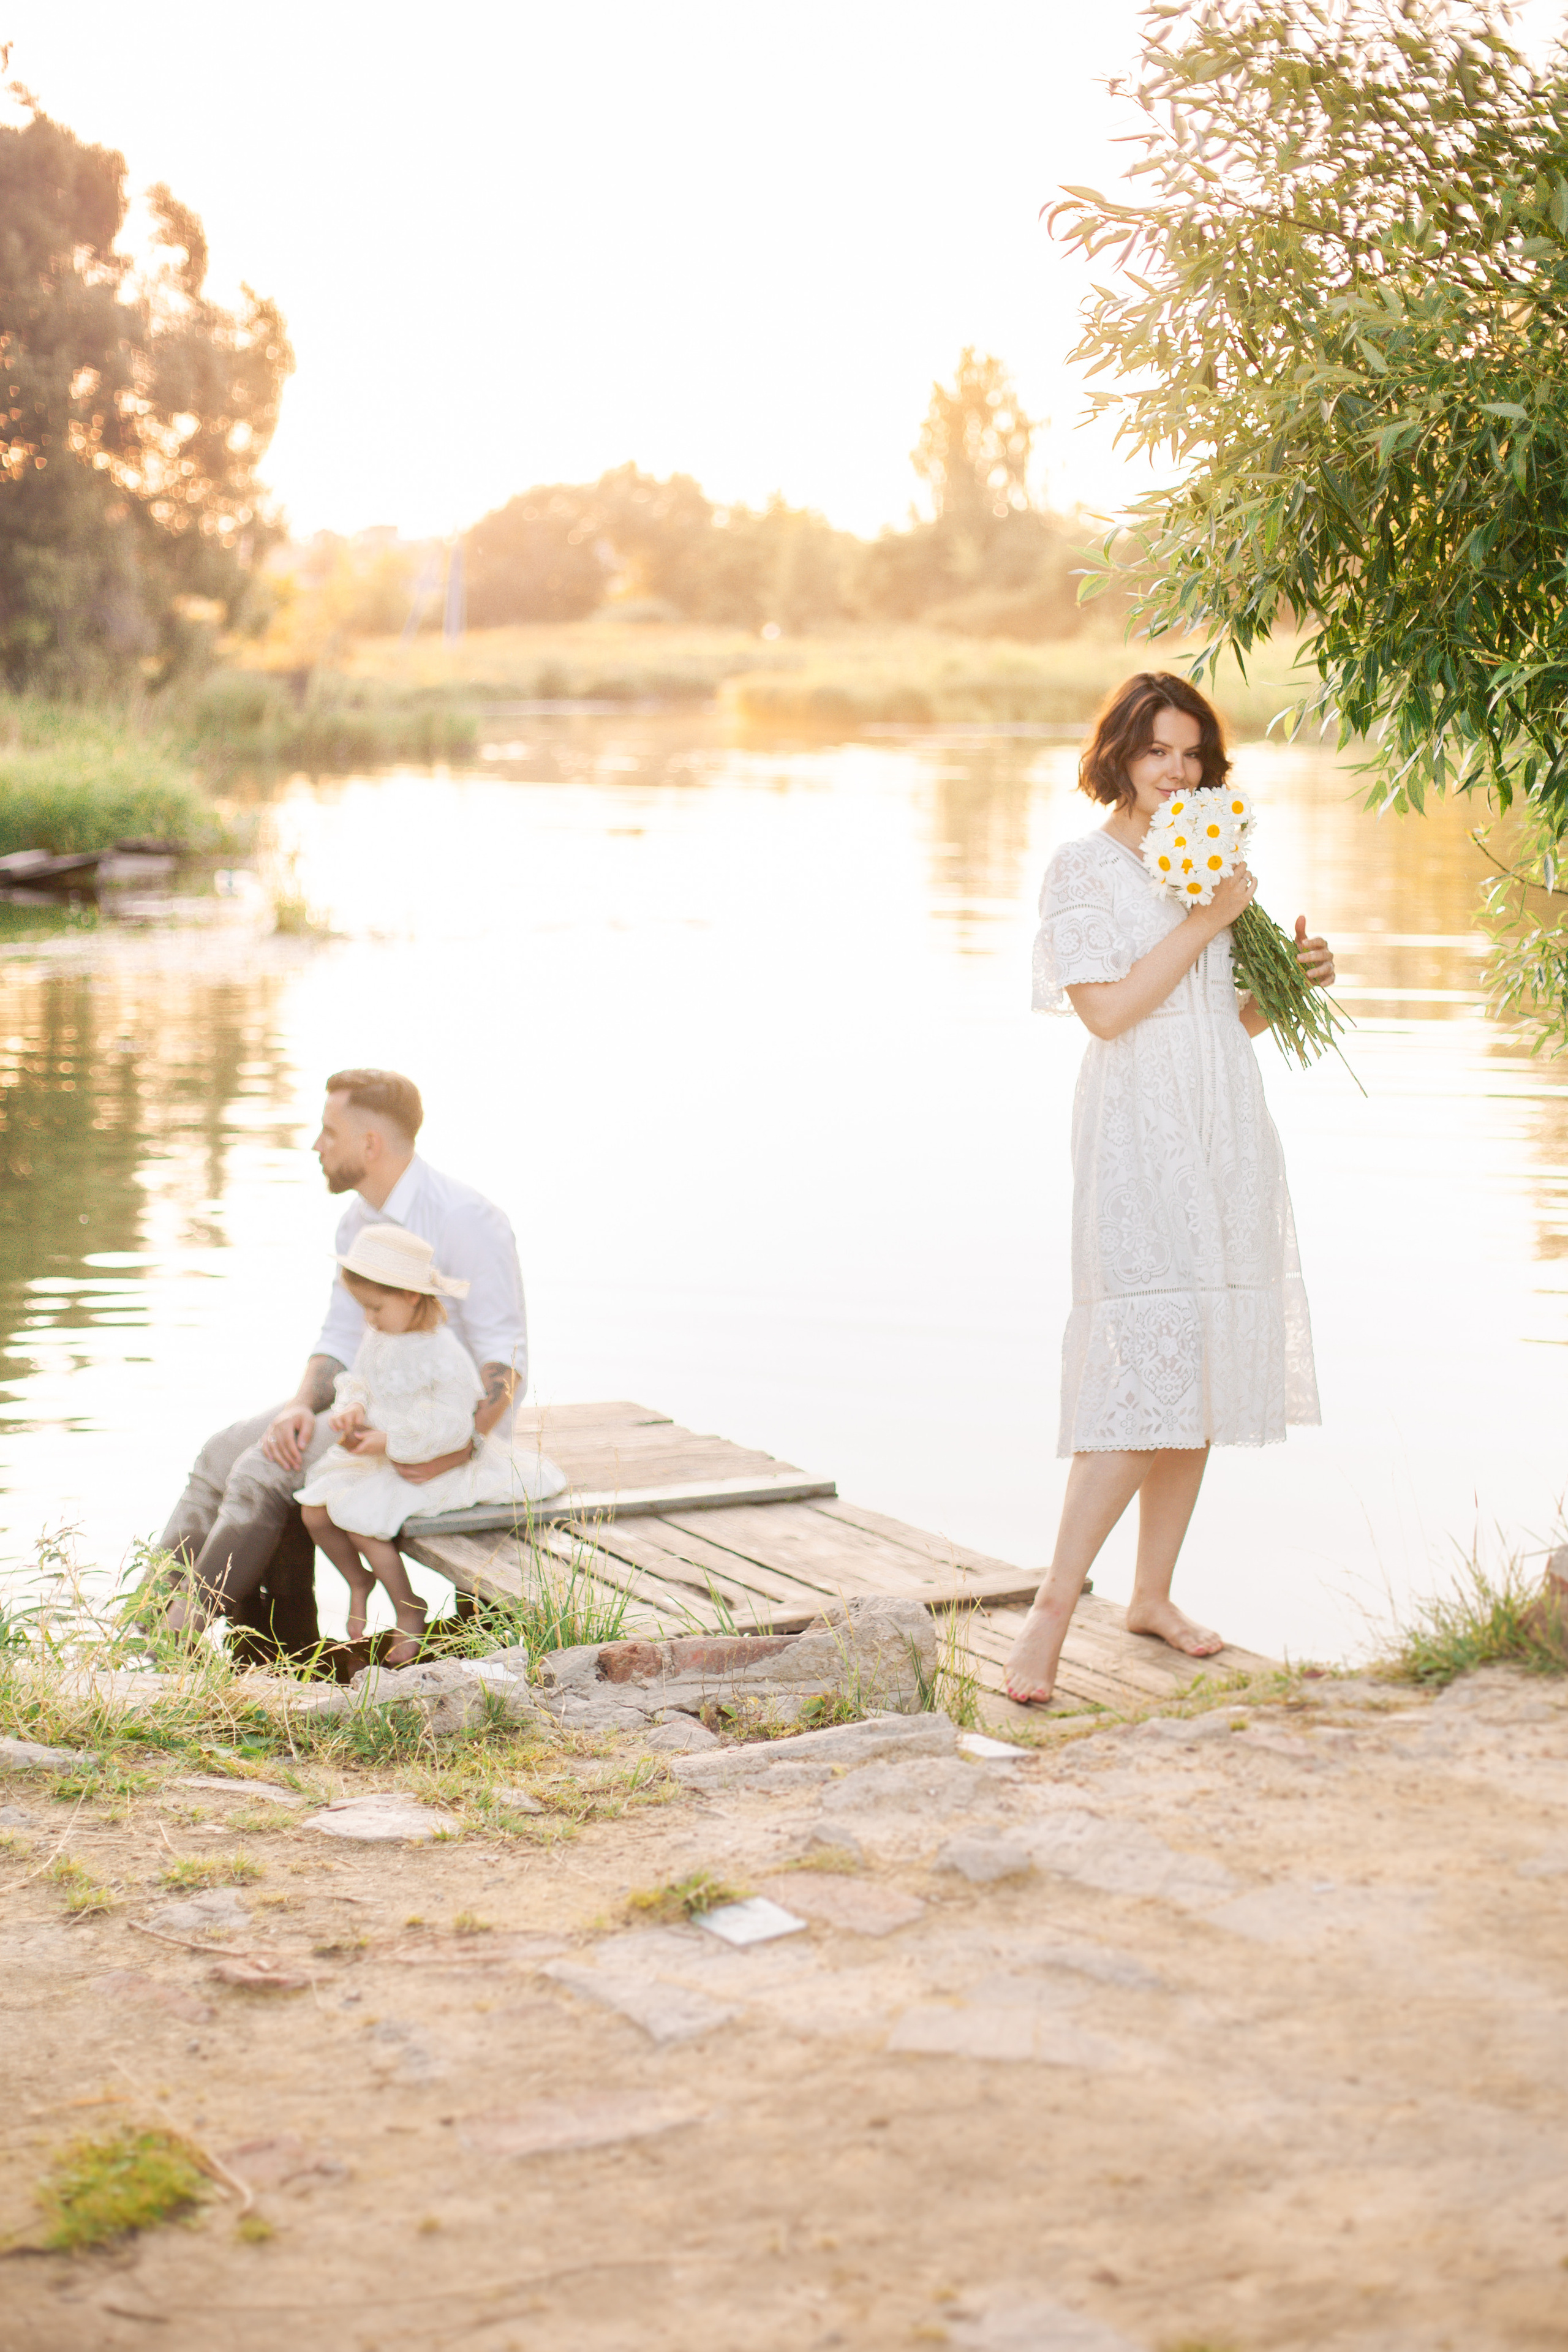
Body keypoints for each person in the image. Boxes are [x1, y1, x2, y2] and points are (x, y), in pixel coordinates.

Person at [1005, 674, 1333, 1706]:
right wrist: (1208, 920)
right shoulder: (1082, 869)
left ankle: (1153, 1595)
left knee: (1198, 1369)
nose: (1177, 772)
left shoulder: (1214, 857)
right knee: (1145, 1365)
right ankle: (1053, 1608)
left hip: (1222, 1123)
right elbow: (1108, 1013)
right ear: (1118, 755)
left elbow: (1207, 1021)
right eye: (1157, 751)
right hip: (1137, 1133)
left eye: (1192, 754)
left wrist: (1285, 989)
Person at [159, 1068, 539, 1650]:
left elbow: (504, 1362)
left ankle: (178, 1641)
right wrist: (298, 1408)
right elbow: (339, 1341)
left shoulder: (467, 1219)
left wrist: (462, 1448)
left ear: (370, 1144)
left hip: (437, 1430)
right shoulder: (358, 1221)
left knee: (262, 1471)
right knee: (221, 1451)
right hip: (367, 1403)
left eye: (328, 1133)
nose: (317, 1146)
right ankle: (142, 1624)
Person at [297, 1225, 565, 1664]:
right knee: (314, 1511)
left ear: (411, 1296)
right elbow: (360, 1382)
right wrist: (352, 1408)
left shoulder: (441, 1351)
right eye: (364, 1308)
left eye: (376, 1307)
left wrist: (391, 1441)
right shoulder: (380, 1337)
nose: (369, 1318)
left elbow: (453, 1423)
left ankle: (408, 1609)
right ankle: (358, 1582)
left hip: (428, 1457)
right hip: (385, 1454)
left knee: (363, 1520)